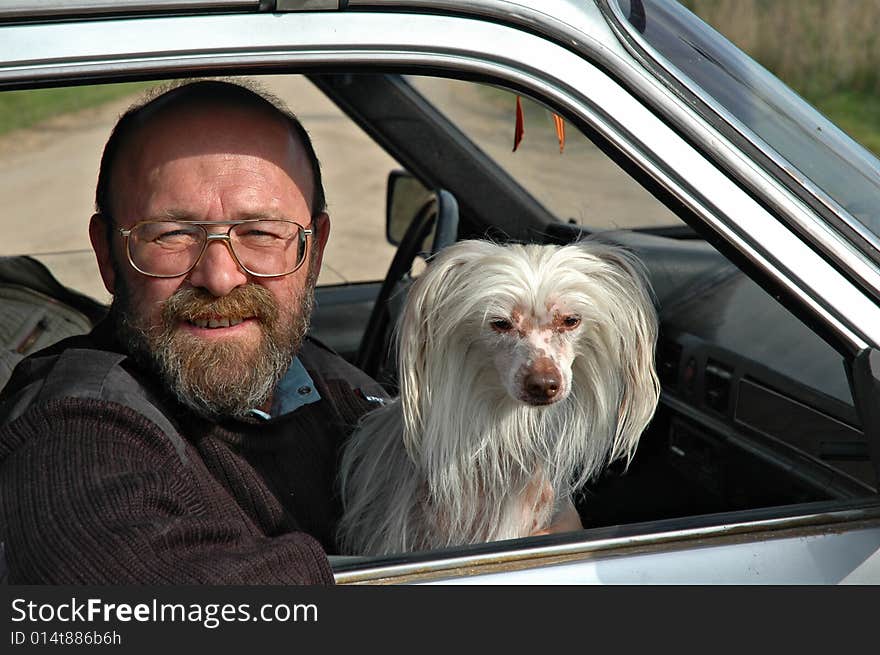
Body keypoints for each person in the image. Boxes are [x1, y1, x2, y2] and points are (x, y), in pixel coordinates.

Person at [0, 80, 387, 584]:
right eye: (173, 234)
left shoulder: (319, 377)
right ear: (107, 256)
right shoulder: (72, 441)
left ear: (312, 253)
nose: (221, 276)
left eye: (261, 233)